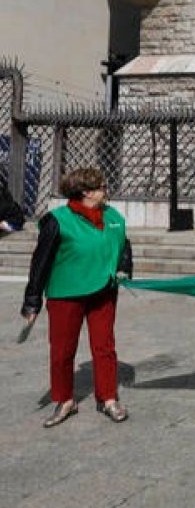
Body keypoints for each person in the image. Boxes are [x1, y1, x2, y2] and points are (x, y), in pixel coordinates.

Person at [21, 168, 132, 427]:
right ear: (86, 192)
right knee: (62, 350)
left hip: (104, 290)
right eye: (102, 186)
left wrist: (125, 266)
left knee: (104, 347)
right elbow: (40, 262)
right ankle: (65, 400)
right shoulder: (57, 220)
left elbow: (124, 245)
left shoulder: (113, 216)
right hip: (66, 294)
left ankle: (108, 398)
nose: (107, 189)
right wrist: (32, 300)